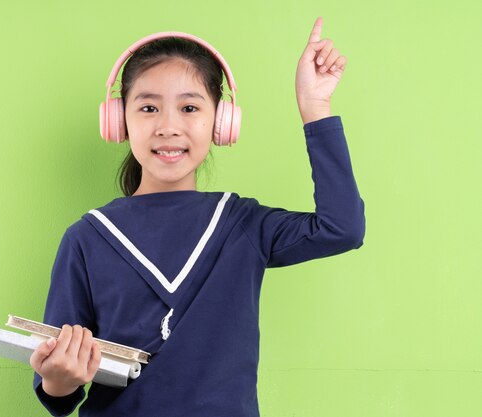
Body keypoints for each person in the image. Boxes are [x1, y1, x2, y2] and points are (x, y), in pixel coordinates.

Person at [30, 17, 365, 417]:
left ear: (221, 123)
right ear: (119, 120)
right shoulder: (87, 238)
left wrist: (315, 108)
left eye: (190, 107)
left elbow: (341, 228)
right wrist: (60, 375)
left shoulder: (243, 224)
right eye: (148, 107)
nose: (168, 126)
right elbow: (59, 396)